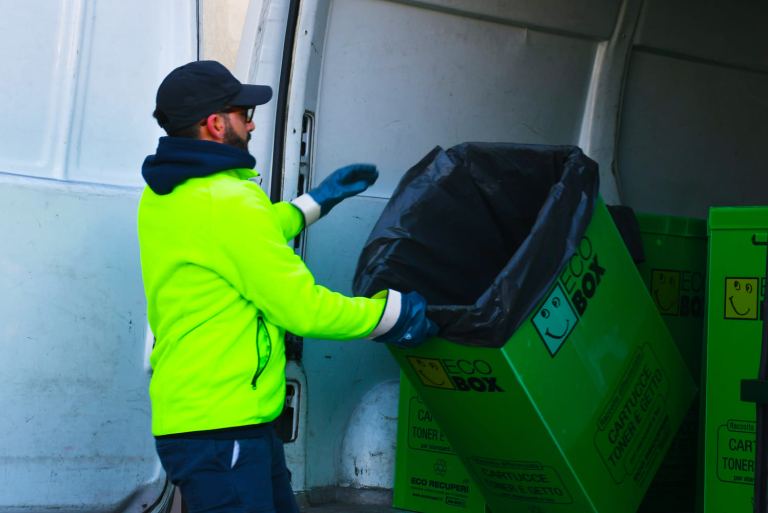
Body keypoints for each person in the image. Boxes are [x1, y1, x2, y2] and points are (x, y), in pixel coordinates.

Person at [137, 60, 437, 513]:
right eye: (243, 113)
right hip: (224, 429)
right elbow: (303, 309)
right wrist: (391, 316)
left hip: (216, 420)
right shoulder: (230, 202)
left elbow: (238, 238)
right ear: (215, 124)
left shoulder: (166, 195)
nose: (252, 123)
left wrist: (314, 203)